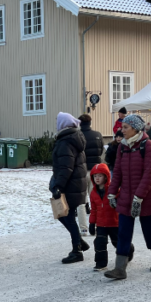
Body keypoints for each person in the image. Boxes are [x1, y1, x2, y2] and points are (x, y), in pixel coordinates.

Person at [104, 114, 151, 280]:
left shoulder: (147, 145)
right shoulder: (122, 147)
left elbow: (149, 173)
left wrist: (139, 196)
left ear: (135, 129)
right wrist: (111, 192)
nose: (121, 130)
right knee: (123, 231)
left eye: (125, 128)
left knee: (149, 230)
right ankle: (120, 268)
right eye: (121, 127)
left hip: (145, 197)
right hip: (126, 196)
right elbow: (118, 172)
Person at [50, 112, 90, 263]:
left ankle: (77, 250)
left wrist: (58, 186)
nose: (56, 124)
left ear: (63, 124)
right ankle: (79, 242)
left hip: (69, 184)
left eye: (57, 121)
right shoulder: (73, 138)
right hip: (76, 183)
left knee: (66, 215)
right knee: (64, 215)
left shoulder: (66, 141)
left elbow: (66, 167)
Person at [87, 163, 132, 270]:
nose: (97, 178)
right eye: (95, 176)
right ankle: (101, 264)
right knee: (99, 243)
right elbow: (93, 209)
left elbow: (123, 202)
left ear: (106, 176)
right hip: (101, 224)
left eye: (100, 176)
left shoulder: (114, 190)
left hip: (114, 223)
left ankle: (129, 250)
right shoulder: (93, 193)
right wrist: (92, 223)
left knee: (117, 242)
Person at [78, 114, 105, 234]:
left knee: (81, 201)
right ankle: (98, 224)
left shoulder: (77, 136)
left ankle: (83, 227)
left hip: (81, 171)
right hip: (95, 171)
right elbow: (100, 152)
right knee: (96, 199)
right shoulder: (98, 135)